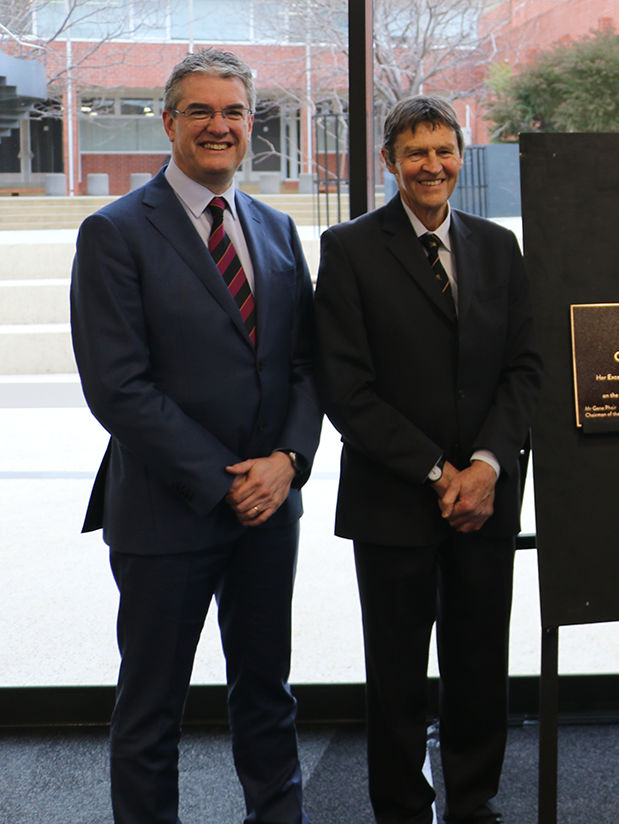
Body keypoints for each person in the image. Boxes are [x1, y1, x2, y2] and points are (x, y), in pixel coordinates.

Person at [69, 48, 320, 824]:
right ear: (170, 121)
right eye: (202, 111)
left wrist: (286, 462)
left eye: (235, 112)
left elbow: (309, 363)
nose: (220, 126)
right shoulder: (114, 233)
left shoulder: (276, 228)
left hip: (270, 510)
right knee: (151, 712)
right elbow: (119, 387)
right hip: (166, 512)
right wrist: (224, 480)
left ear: (251, 124)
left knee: (266, 694)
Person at [314, 96, 542, 824]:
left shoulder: (498, 248)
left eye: (444, 151)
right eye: (416, 153)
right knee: (397, 675)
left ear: (460, 158)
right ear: (390, 161)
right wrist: (439, 473)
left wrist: (486, 465)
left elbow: (526, 369)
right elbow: (346, 389)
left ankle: (473, 803)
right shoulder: (348, 249)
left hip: (487, 500)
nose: (431, 166)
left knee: (480, 666)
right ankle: (403, 810)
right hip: (394, 501)